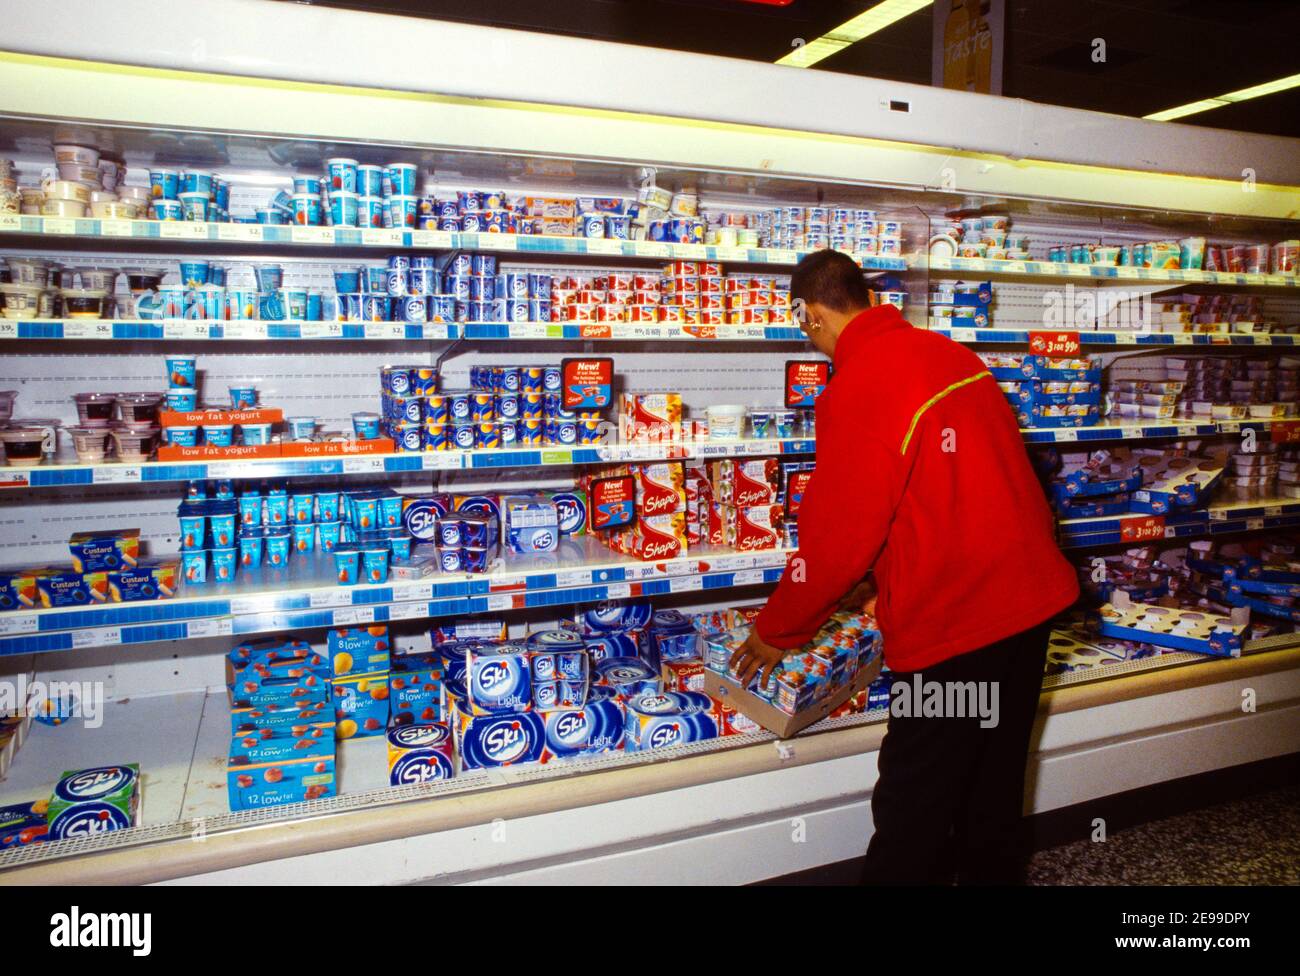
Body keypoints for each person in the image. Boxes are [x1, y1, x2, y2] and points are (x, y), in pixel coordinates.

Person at [730, 249, 1079, 885]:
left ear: (807, 313)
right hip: (1027, 612)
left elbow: (836, 539)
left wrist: (777, 631)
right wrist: (881, 574)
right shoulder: (950, 355)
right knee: (994, 787)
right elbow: (949, 486)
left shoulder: (858, 385)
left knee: (915, 803)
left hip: (957, 626)